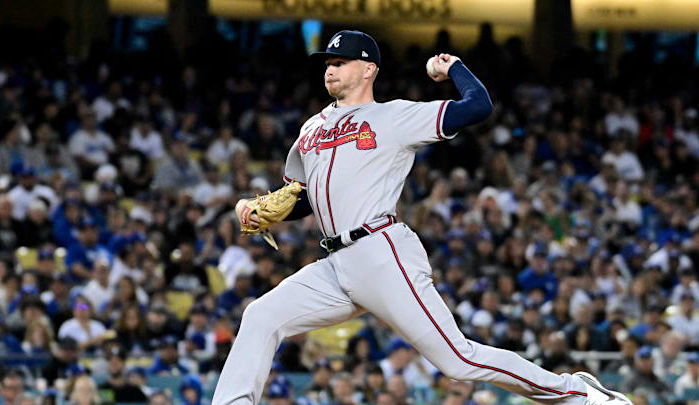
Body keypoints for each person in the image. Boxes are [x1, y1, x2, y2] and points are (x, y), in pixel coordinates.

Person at [212, 30, 629, 405]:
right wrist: (257, 211)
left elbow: (477, 107)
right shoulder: (311, 129)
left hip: (380, 250)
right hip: (335, 264)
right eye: (328, 63)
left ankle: (578, 392)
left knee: (458, 360)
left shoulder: (394, 116)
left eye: (340, 62)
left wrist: (454, 67)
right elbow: (301, 199)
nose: (331, 68)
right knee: (261, 315)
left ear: (369, 69)